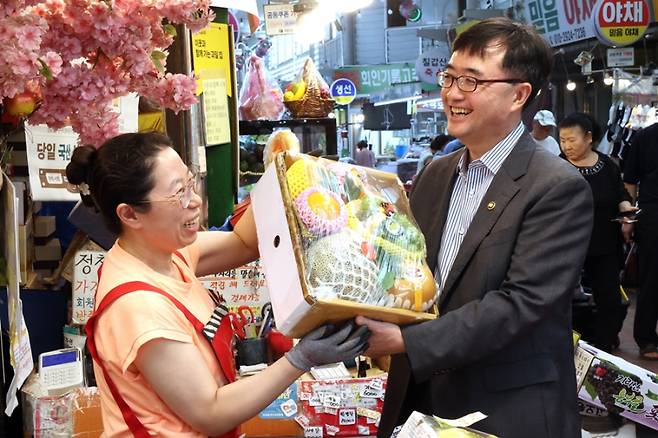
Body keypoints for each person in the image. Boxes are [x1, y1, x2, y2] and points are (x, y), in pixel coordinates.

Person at [356, 17, 593, 437]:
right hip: (419, 396)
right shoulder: (436, 173)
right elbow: (408, 268)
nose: (451, 94)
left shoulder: (557, 187)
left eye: (471, 81)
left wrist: (406, 342)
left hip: (505, 406)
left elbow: (522, 305)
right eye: (449, 77)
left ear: (519, 94)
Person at [65, 132, 369, 437]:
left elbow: (244, 242)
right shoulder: (137, 307)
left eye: (190, 181)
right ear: (130, 214)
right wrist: (300, 359)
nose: (195, 201)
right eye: (178, 193)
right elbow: (211, 412)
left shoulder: (164, 254)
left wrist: (285, 175)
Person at [559, 112, 635, 352]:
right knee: (560, 299)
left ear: (588, 138)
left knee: (609, 299)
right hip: (566, 245)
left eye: (572, 140)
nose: (566, 146)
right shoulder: (556, 167)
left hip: (604, 243)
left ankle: (604, 346)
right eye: (562, 140)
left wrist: (625, 207)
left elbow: (621, 194)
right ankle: (563, 345)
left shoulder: (608, 165)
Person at [623, 122, 658, 359]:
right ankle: (646, 339)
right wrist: (630, 218)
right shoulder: (646, 136)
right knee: (652, 276)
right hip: (653, 213)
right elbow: (630, 181)